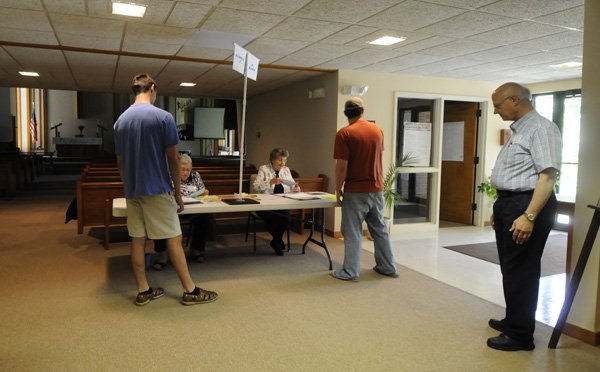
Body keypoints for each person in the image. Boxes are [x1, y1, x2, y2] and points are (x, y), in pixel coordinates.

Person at [113, 73, 218, 306]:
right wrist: (178, 195)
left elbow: (120, 162)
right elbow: (174, 160)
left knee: (137, 240)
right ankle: (190, 290)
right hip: (157, 188)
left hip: (133, 190)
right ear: (152, 88)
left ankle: (143, 290)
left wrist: (128, 185)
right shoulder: (162, 117)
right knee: (174, 238)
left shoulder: (120, 121)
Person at [487, 82, 561, 351]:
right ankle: (513, 320)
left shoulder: (540, 128)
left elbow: (548, 175)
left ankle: (520, 335)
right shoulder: (521, 130)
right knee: (510, 266)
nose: (495, 111)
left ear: (515, 100)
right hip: (510, 204)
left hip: (527, 204)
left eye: (498, 105)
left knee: (522, 269)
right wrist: (502, 209)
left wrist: (528, 216)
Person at [332, 97, 398, 282]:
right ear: (363, 111)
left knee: (352, 231)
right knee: (379, 230)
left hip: (355, 190)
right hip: (376, 189)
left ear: (346, 113)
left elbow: (342, 167)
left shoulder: (344, 134)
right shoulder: (378, 131)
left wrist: (338, 189)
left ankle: (350, 271)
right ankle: (388, 267)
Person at [153, 153, 211, 270]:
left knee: (205, 216)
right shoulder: (170, 175)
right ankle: (161, 255)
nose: (185, 172)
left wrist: (192, 195)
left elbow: (203, 189)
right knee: (159, 218)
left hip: (191, 210)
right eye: (183, 169)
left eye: (188, 170)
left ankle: (195, 249)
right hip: (172, 211)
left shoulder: (195, 175)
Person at [253, 148, 300, 255]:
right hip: (265, 203)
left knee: (286, 219)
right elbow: (256, 186)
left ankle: (276, 241)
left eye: (284, 160)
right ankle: (278, 242)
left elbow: (293, 186)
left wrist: (295, 188)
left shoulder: (286, 170)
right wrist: (270, 182)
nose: (283, 163)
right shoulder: (264, 169)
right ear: (273, 160)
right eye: (280, 160)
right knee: (272, 218)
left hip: (282, 202)